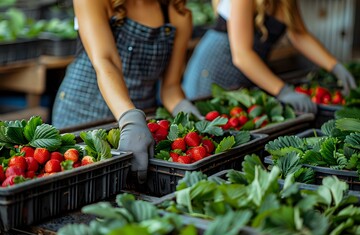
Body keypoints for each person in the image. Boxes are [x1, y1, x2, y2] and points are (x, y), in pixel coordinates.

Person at [52, 0, 202, 184]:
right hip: (83, 114)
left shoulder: (177, 14)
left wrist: (184, 109)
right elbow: (107, 61)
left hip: (140, 127)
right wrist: (130, 118)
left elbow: (170, 88)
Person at [182, 0, 357, 113]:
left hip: (249, 73)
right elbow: (242, 55)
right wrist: (283, 90)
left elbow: (299, 35)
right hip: (213, 72)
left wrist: (335, 65)